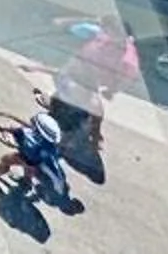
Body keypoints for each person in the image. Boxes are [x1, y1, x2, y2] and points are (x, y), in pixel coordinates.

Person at [52, 19, 139, 170]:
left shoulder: (128, 59)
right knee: (63, 96)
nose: (106, 33)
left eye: (112, 31)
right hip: (76, 69)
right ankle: (84, 130)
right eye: (108, 30)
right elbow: (84, 28)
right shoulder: (102, 35)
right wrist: (67, 24)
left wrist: (112, 90)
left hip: (89, 81)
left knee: (89, 109)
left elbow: (127, 78)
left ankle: (78, 137)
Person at [0, 100, 73, 208]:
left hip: (26, 158)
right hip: (35, 163)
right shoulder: (49, 146)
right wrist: (11, 118)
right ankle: (26, 183)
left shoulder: (29, 138)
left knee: (5, 160)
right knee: (30, 170)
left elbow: (20, 135)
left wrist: (7, 134)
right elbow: (26, 128)